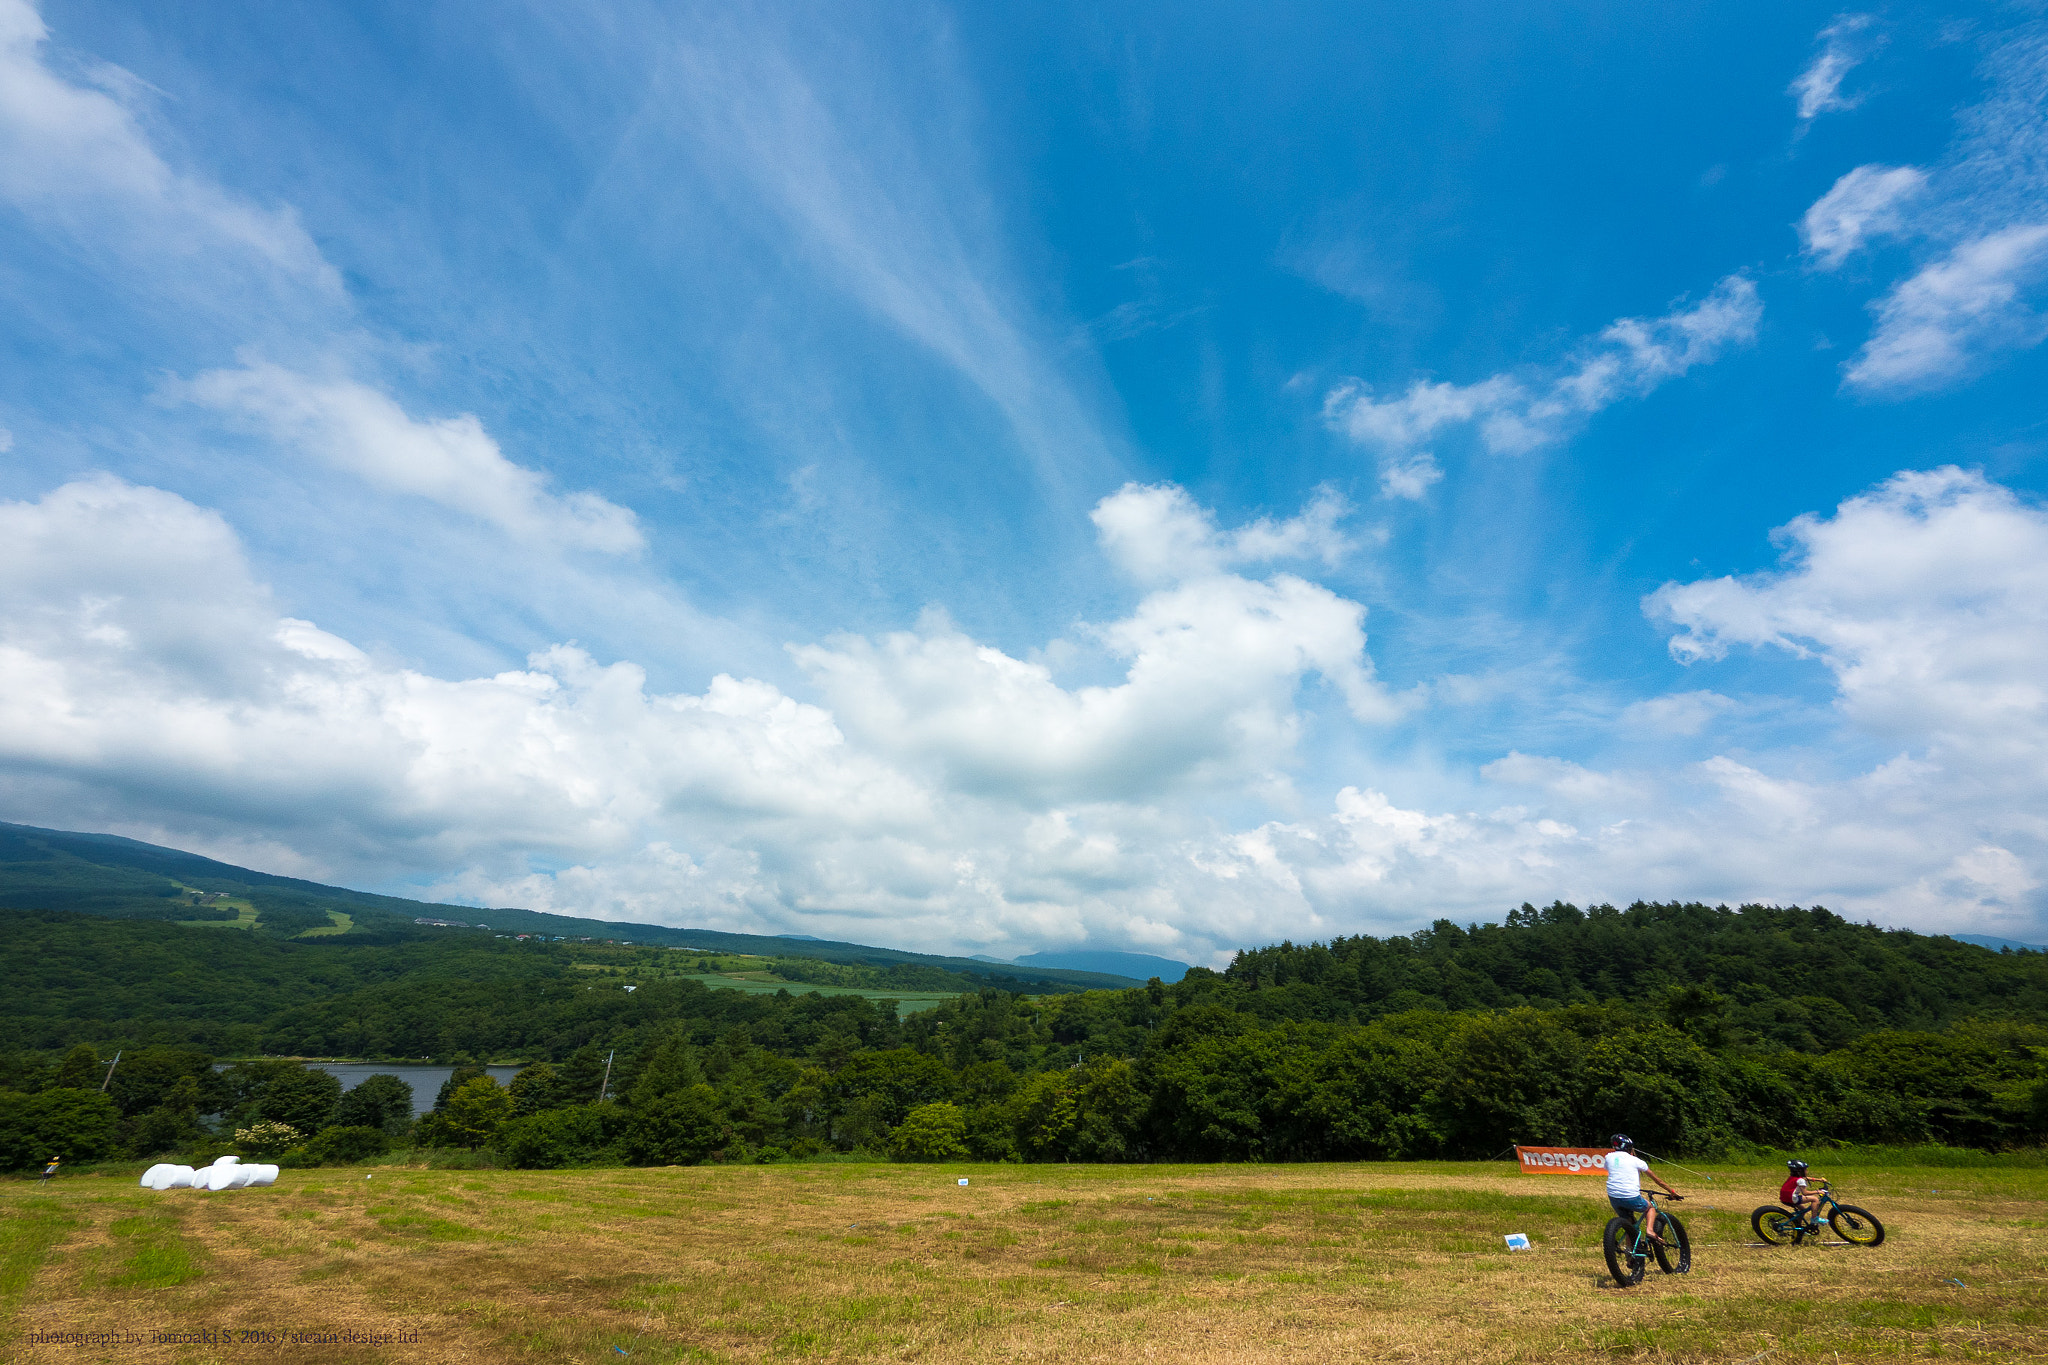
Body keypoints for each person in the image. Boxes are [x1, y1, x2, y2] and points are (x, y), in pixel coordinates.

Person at [1604, 1133, 1681, 1243]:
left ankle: (1630, 1256)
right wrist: (1672, 1191)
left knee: (1629, 1225)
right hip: (1630, 1196)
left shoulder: (1608, 1157)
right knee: (1650, 1208)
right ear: (1629, 1148)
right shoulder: (1637, 1161)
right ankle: (1650, 1231)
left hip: (1613, 1197)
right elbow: (1657, 1180)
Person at [1780, 1160, 1823, 1228]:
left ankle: (1797, 1226)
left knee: (1802, 1210)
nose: (1807, 1171)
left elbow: (1805, 1178)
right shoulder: (1800, 1180)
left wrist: (1819, 1180)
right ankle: (1814, 1219)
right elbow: (1805, 1193)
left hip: (1785, 1197)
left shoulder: (1794, 1177)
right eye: (1805, 1169)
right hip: (1792, 1198)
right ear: (1799, 1171)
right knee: (1815, 1199)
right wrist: (1818, 1191)